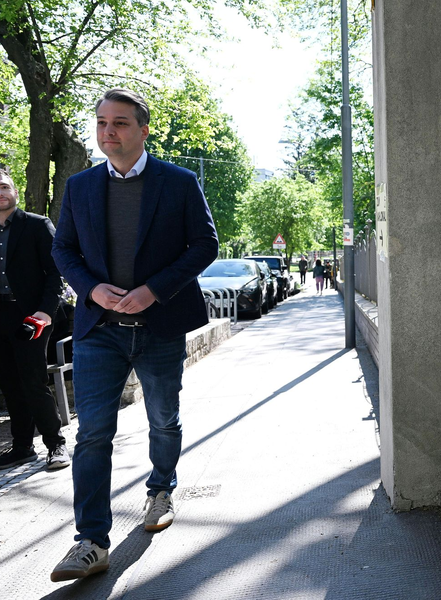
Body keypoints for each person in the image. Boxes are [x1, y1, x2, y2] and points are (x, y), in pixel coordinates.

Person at [50, 88, 218, 582]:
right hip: (99, 329)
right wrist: (90, 288)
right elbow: (64, 251)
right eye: (102, 123)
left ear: (144, 130)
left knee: (163, 418)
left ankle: (160, 488)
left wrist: (154, 290)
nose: (108, 132)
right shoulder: (80, 187)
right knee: (93, 433)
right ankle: (91, 541)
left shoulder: (179, 182)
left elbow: (205, 244)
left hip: (158, 326)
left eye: (120, 123)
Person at [0, 169, 70, 471]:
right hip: (0, 316)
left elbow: (57, 273)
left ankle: (56, 445)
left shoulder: (37, 225)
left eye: (4, 187)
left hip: (32, 316)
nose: (0, 193)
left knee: (32, 379)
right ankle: (22, 447)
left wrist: (45, 311)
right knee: (9, 383)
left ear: (15, 192)